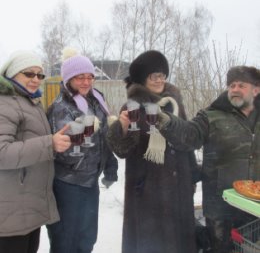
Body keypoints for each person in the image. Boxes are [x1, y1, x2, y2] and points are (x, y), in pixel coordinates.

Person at [154, 65, 260, 252]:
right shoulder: (211, 116)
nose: (234, 89)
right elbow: (188, 135)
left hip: (254, 205)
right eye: (231, 85)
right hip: (220, 207)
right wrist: (167, 121)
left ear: (256, 89)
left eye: (241, 85)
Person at [106, 50, 198, 253]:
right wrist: (120, 129)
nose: (159, 80)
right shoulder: (132, 107)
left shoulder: (174, 102)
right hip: (148, 192)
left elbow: (186, 141)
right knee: (151, 244)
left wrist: (192, 176)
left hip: (179, 188)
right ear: (142, 78)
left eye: (162, 75)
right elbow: (122, 151)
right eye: (153, 75)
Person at [46, 47, 118, 253]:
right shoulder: (60, 107)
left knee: (87, 239)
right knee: (65, 241)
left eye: (89, 77)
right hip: (67, 183)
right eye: (80, 78)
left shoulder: (96, 100)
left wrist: (110, 164)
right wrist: (85, 132)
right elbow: (64, 152)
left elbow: (104, 136)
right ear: (69, 79)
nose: (86, 82)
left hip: (90, 181)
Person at [0, 50, 71, 253]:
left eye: (40, 75)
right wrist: (50, 144)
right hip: (10, 209)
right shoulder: (5, 103)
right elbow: (2, 153)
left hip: (27, 205)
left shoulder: (30, 102)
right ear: (12, 73)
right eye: (28, 74)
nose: (35, 79)